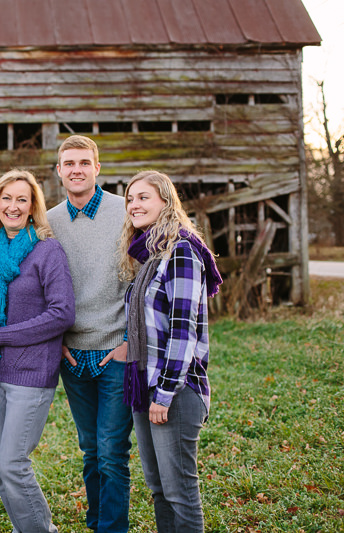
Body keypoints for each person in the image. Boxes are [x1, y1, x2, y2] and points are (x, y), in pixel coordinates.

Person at [0, 169, 75, 533]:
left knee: (13, 464)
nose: (13, 206)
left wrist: (0, 336)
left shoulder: (47, 250)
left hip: (32, 374)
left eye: (22, 199)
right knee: (6, 466)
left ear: (33, 208)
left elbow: (62, 313)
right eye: (6, 198)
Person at [119, 170, 222, 532]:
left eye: (143, 197)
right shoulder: (151, 256)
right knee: (159, 490)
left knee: (181, 493)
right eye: (130, 198)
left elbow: (182, 331)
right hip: (146, 388)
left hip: (174, 392)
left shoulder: (181, 251)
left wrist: (163, 395)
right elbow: (151, 325)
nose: (134, 204)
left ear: (166, 202)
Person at [47, 135, 133, 533]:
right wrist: (57, 342)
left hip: (116, 349)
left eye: (84, 162)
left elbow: (143, 281)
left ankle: (111, 528)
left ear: (97, 168)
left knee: (113, 452)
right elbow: (41, 287)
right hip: (72, 355)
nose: (76, 169)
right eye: (69, 163)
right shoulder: (49, 221)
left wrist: (130, 342)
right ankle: (97, 521)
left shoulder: (124, 212)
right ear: (59, 170)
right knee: (91, 449)